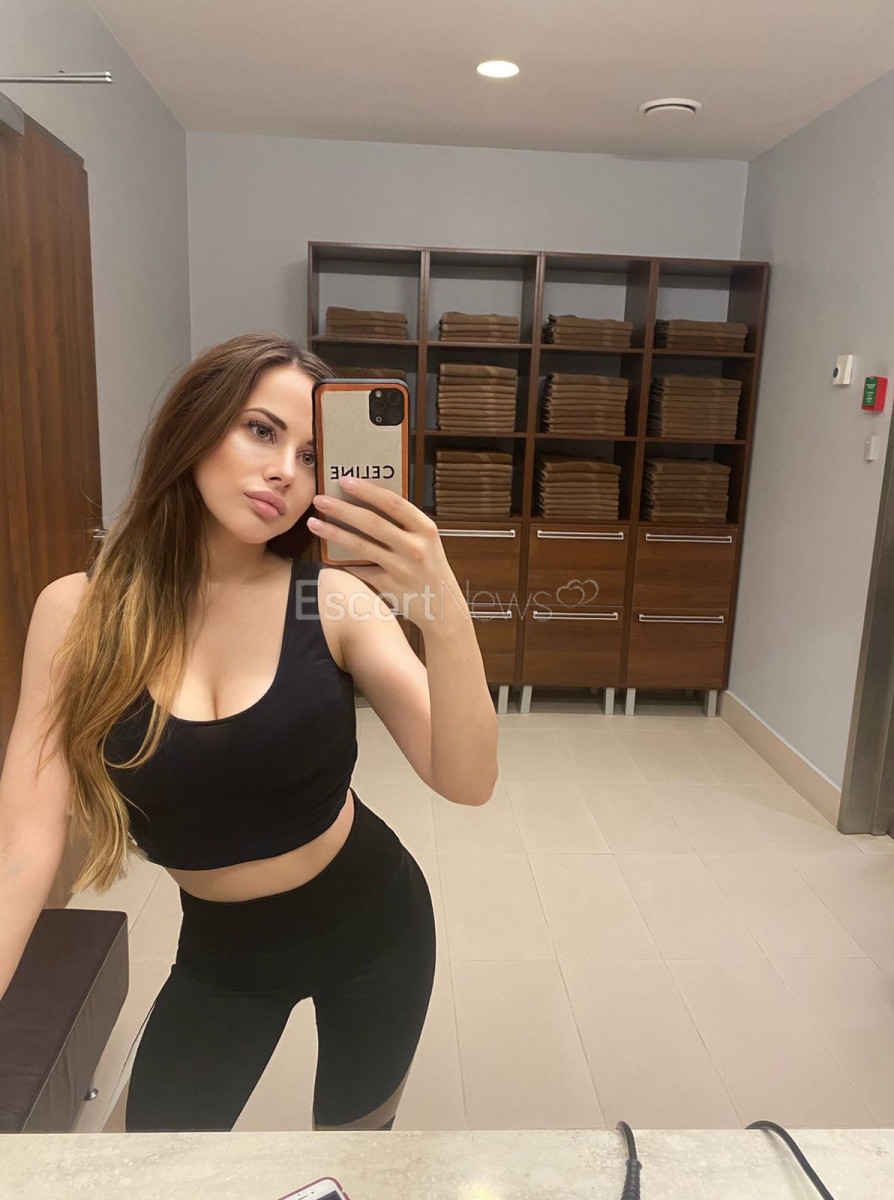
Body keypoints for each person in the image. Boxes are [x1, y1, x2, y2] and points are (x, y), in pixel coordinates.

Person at [0, 332, 498, 1132]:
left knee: (351, 1162)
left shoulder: (327, 600)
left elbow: (468, 781)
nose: (285, 472)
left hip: (377, 928)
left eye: (311, 456)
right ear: (195, 426)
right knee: (143, 1173)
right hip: (223, 958)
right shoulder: (78, 614)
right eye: (262, 431)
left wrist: (440, 604)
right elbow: (23, 845)